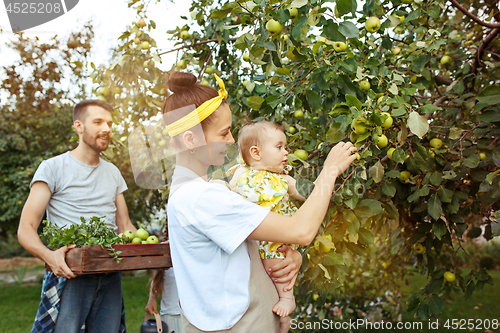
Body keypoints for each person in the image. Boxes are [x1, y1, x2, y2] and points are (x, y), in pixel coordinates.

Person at [160, 71, 358, 333]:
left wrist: (290, 259)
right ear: (191, 139)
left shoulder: (199, 191)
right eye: (224, 132)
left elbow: (245, 248)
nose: (232, 141)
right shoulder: (201, 198)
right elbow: (302, 230)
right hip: (242, 324)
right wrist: (330, 170)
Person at [17, 100, 137, 333]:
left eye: (110, 124)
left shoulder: (113, 172)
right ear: (79, 127)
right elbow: (26, 228)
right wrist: (50, 257)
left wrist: (146, 250)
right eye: (98, 122)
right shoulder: (53, 168)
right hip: (70, 274)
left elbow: (125, 226)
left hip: (109, 273)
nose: (107, 129)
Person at [227, 121, 306, 333]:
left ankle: (287, 298)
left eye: (286, 148)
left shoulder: (283, 179)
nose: (286, 152)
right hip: (252, 236)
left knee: (276, 265)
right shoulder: (239, 172)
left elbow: (304, 193)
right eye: (279, 147)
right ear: (256, 153)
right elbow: (230, 193)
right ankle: (283, 317)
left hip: (275, 239)